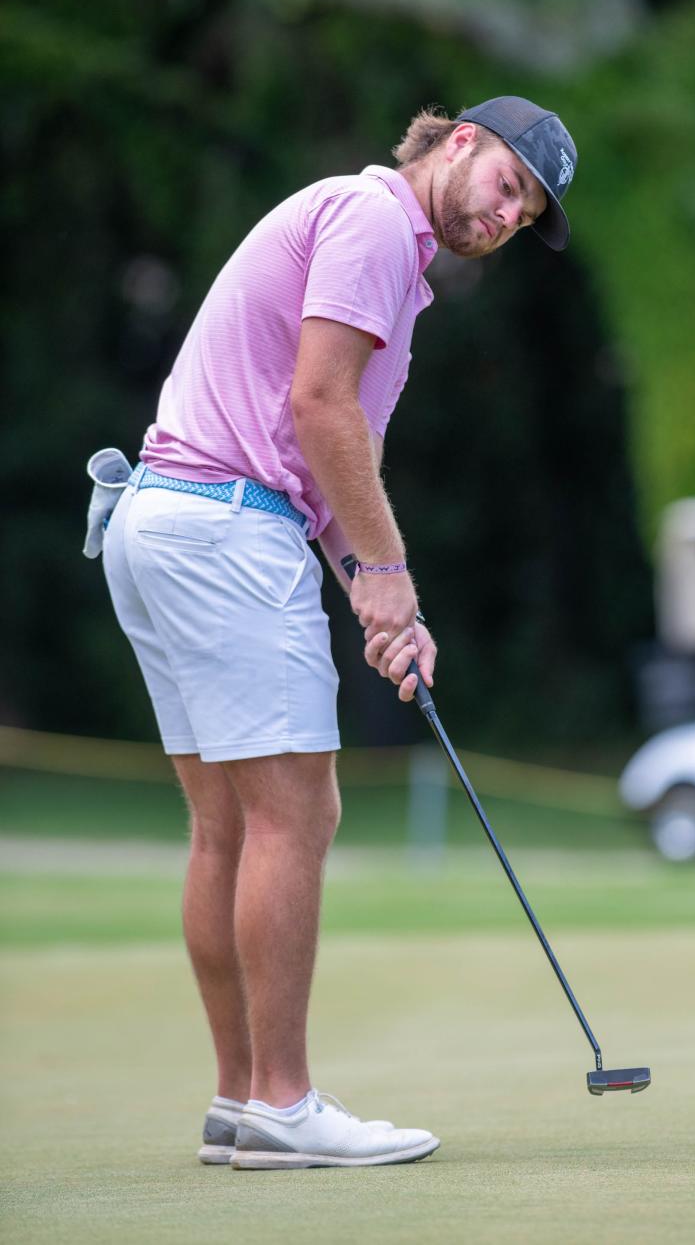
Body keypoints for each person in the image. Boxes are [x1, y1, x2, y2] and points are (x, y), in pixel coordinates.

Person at [83, 97, 577, 1171]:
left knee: (228, 825)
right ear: (459, 144)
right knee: (297, 812)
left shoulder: (389, 265)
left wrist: (377, 591)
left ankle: (239, 1101)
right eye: (505, 184)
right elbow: (320, 410)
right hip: (221, 526)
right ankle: (285, 1102)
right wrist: (390, 570)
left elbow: (321, 479)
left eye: (525, 211)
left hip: (168, 518)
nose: (505, 215)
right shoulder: (371, 221)